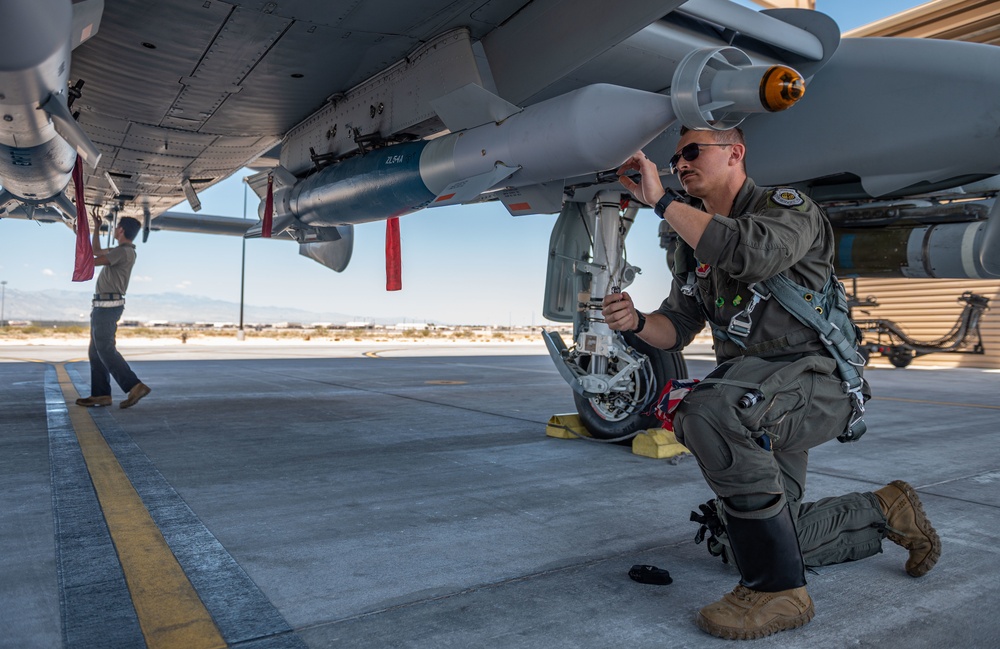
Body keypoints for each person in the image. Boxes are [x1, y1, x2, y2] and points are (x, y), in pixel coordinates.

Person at [603, 127, 941, 640]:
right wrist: (635, 322)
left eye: (691, 153)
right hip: (760, 390)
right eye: (674, 160)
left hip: (816, 381)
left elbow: (750, 255)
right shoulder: (691, 244)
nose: (680, 165)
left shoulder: (787, 209)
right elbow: (677, 324)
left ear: (734, 153)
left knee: (707, 411)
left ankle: (778, 592)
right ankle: (885, 508)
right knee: (745, 542)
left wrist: (661, 201)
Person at [75, 216, 151, 409]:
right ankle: (100, 395)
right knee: (95, 352)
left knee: (105, 349)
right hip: (103, 306)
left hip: (107, 307)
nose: (115, 229)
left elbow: (94, 260)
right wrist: (96, 229)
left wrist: (80, 239)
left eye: (116, 227)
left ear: (121, 231)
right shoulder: (121, 251)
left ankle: (134, 385)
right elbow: (96, 251)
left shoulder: (123, 252)